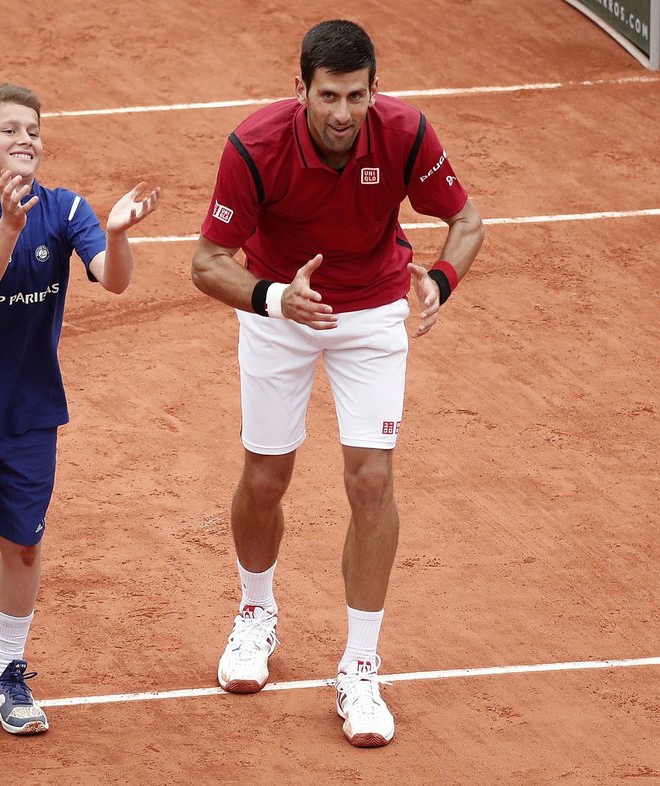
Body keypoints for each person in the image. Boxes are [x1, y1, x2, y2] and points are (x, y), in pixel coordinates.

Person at [191, 19, 484, 748]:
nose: (344, 114)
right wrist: (271, 298)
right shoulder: (253, 146)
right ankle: (256, 615)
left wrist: (441, 282)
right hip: (278, 307)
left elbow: (466, 221)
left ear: (373, 90)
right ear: (301, 90)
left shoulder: (407, 133)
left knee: (371, 483)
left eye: (357, 95)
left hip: (374, 309)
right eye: (328, 96)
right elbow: (207, 261)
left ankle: (360, 666)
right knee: (265, 478)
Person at [0, 83, 160, 757]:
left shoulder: (68, 209)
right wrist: (9, 228)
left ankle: (7, 675)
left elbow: (114, 279)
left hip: (29, 412)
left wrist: (113, 233)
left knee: (23, 543)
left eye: (34, 130)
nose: (27, 139)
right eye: (9, 130)